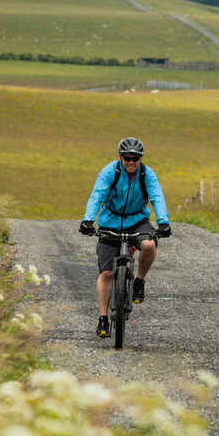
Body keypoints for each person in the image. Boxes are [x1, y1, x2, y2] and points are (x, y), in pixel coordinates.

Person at [79, 137, 172, 338]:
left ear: (140, 159)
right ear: (120, 157)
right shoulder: (110, 172)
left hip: (137, 220)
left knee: (148, 245)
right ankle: (103, 318)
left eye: (135, 158)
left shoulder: (146, 173)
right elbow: (97, 195)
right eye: (127, 158)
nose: (131, 162)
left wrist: (164, 222)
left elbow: (157, 196)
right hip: (110, 221)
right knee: (106, 274)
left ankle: (139, 281)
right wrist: (88, 220)